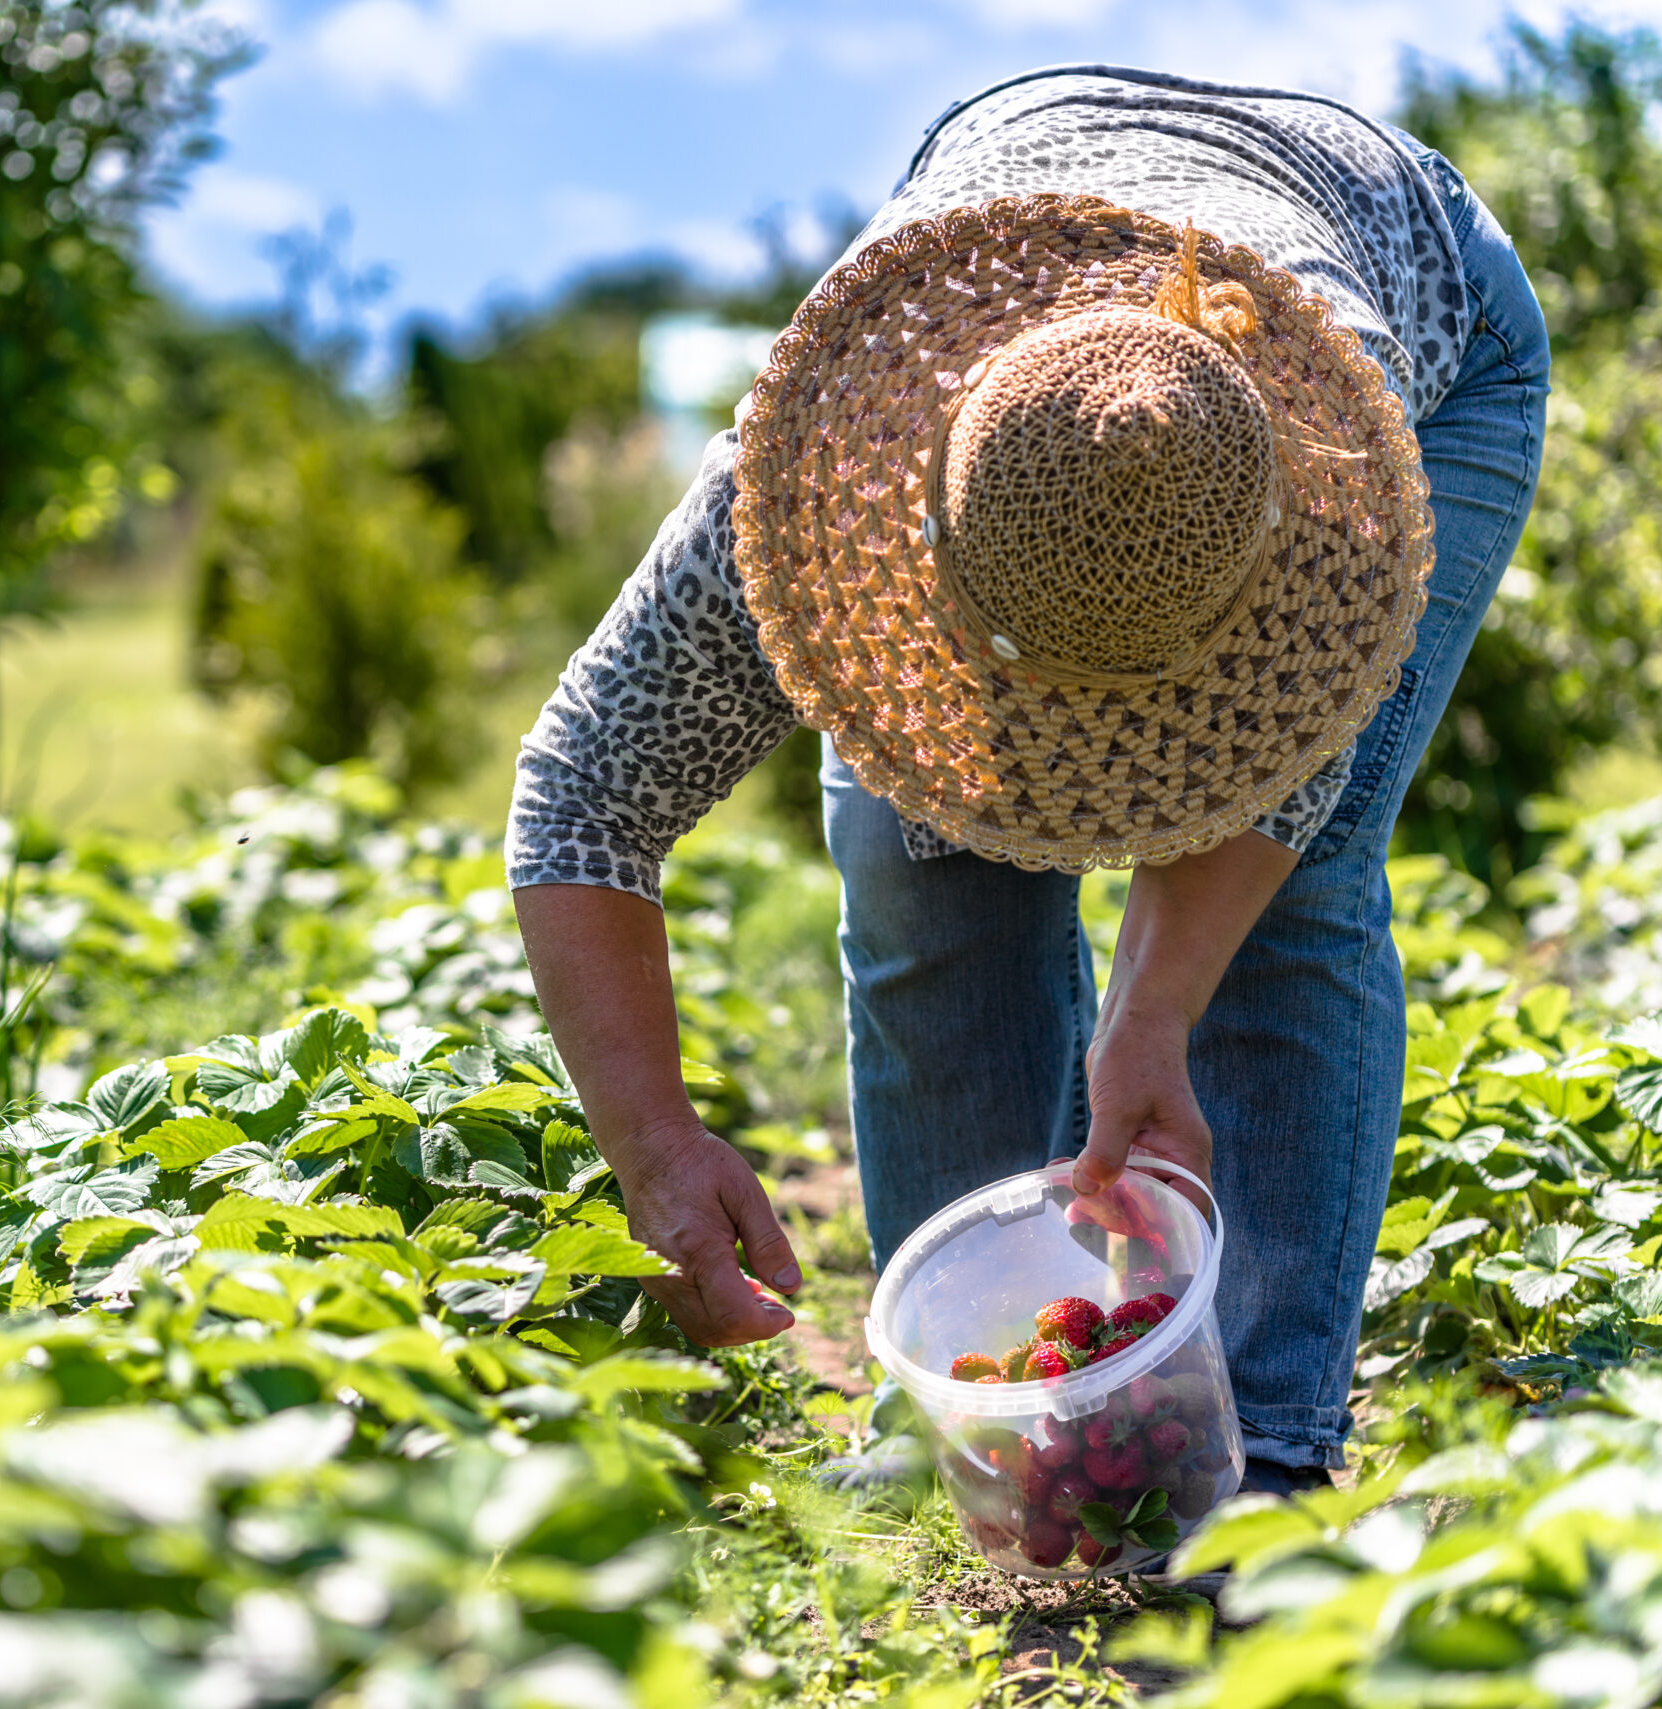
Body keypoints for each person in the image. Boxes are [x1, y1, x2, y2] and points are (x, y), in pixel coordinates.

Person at [504, 65, 1548, 1488]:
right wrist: (657, 1147)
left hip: (1419, 301)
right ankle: (979, 1429)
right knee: (915, 845)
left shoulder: (1334, 494)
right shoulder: (832, 440)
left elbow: (1283, 793)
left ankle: (1265, 1451)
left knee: (1290, 905)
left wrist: (1150, 1020)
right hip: (1016, 204)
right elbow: (583, 795)